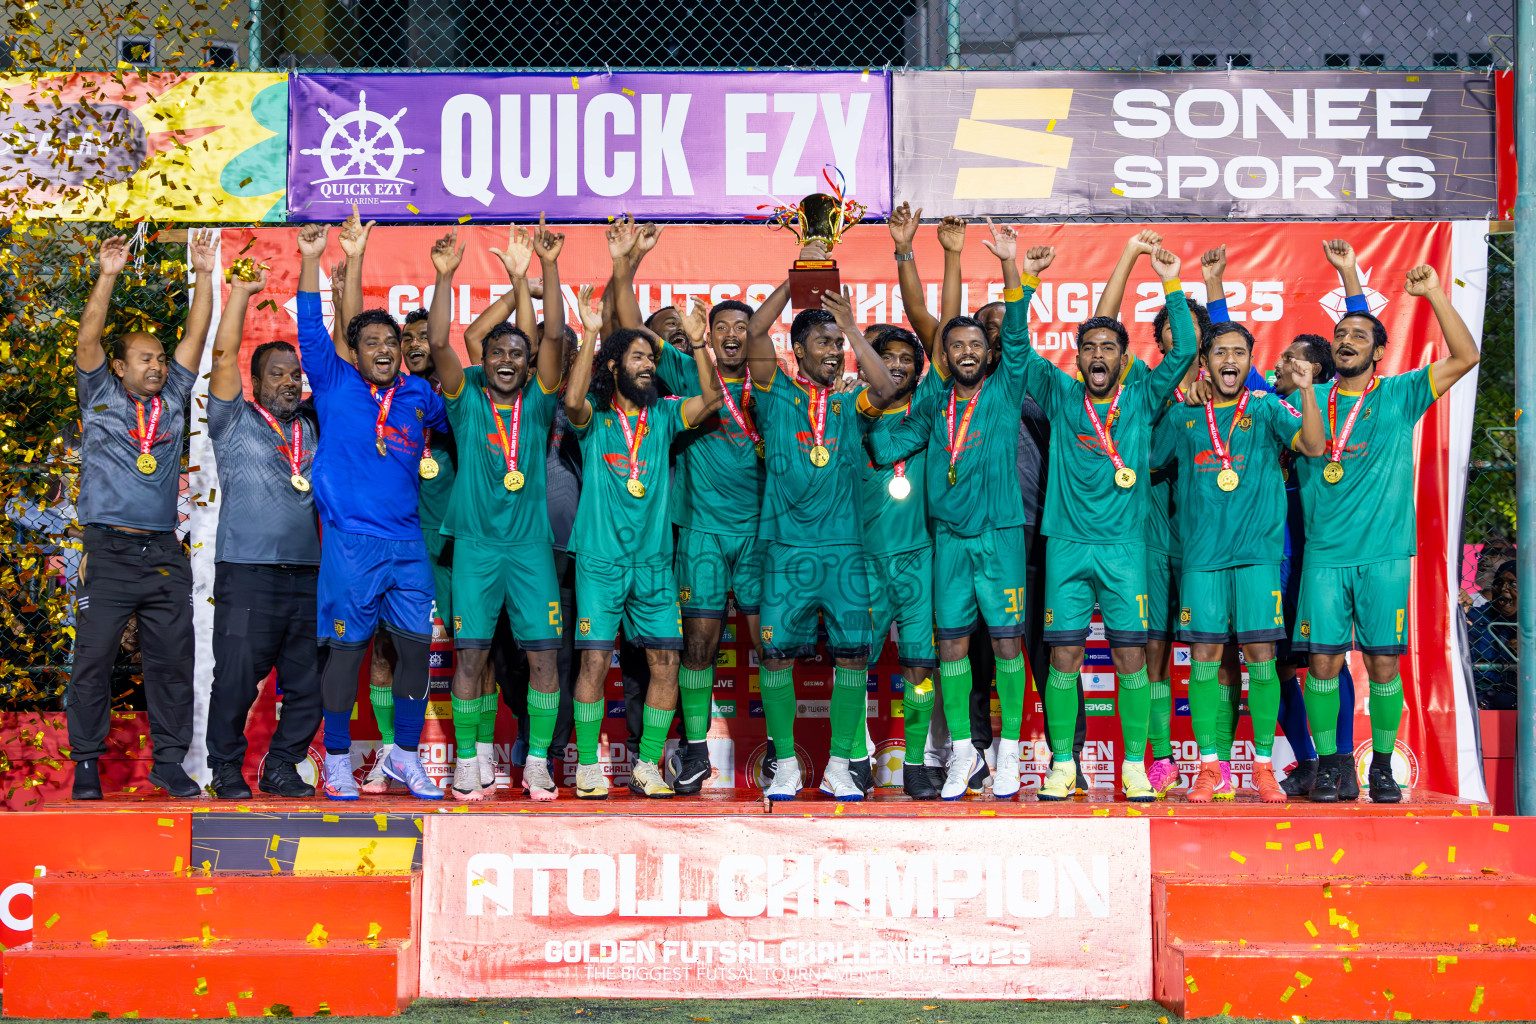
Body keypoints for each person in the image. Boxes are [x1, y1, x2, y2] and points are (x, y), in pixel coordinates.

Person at [1291, 239, 1481, 803]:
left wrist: (1432, 294)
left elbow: (1467, 356)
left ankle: (1378, 767)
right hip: (1325, 555)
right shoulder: (1308, 398)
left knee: (1381, 662)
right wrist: (1349, 275)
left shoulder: (1398, 394)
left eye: (1360, 336)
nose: (1346, 340)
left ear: (1379, 354)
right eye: (1340, 335)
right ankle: (1330, 767)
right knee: (1322, 662)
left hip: (1383, 554)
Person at [866, 222, 1041, 801]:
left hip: (999, 538)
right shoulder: (933, 401)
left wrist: (1012, 266)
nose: (967, 351)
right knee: (952, 649)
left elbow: (1016, 332)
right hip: (947, 543)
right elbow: (887, 444)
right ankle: (964, 755)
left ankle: (1010, 756)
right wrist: (857, 413)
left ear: (989, 354)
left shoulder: (1007, 386)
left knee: (1010, 647)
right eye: (956, 345)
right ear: (945, 355)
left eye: (976, 345)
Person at [1025, 243, 1196, 801]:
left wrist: (1170, 282)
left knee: (1131, 657)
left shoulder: (1143, 396)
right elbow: (1011, 346)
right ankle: (1063, 764)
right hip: (1068, 547)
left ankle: (1132, 766)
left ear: (1124, 359)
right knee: (1064, 657)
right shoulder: (1058, 391)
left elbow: (1187, 349)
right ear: (1077, 359)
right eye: (1089, 347)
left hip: (1126, 549)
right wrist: (1025, 280)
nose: (1098, 353)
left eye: (1109, 346)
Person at [607, 217, 765, 794]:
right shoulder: (679, 370)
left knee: (767, 644)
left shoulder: (769, 383)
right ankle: (695, 753)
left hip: (757, 535)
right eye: (720, 326)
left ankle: (777, 753)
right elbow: (628, 329)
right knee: (696, 646)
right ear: (708, 332)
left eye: (740, 328)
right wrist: (629, 263)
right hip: (698, 533)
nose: (730, 335)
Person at [296, 221, 449, 801]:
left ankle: (402, 758)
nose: (385, 350)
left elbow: (451, 392)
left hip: (407, 545)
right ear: (353, 353)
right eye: (372, 344)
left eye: (391, 343)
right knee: (347, 654)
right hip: (352, 542)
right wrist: (316, 258)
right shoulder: (334, 382)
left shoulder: (420, 397)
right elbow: (314, 327)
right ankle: (336, 760)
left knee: (414, 654)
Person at [744, 249, 903, 802]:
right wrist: (802, 281)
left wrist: (855, 330)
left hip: (845, 551)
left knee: (854, 656)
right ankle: (785, 763)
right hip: (787, 549)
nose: (834, 353)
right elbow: (756, 332)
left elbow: (886, 388)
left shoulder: (849, 401)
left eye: (838, 345)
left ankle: (840, 763)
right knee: (776, 656)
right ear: (798, 350)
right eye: (825, 343)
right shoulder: (775, 392)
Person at [563, 257, 724, 799]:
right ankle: (588, 766)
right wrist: (589, 335)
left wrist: (699, 345)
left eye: (652, 358)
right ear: (615, 367)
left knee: (666, 662)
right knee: (592, 659)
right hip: (601, 562)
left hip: (655, 566)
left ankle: (648, 765)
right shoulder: (596, 423)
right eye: (637, 357)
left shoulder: (665, 416)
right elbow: (571, 400)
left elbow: (713, 401)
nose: (649, 365)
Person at [1200, 252, 1358, 798]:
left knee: (1325, 658)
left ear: (1314, 370)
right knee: (1285, 661)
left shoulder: (1339, 402)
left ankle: (1342, 759)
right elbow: (1224, 345)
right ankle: (1310, 761)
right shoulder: (1261, 403)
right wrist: (1214, 284)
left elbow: (1358, 351)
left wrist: (1351, 279)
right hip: (1278, 549)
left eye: (1289, 359)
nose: (1276, 367)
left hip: (1323, 551)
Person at [424, 223, 570, 800]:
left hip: (532, 549)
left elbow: (554, 334)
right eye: (498, 352)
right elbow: (438, 345)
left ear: (529, 365)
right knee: (471, 657)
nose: (508, 360)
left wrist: (545, 270)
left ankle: (536, 761)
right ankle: (466, 760)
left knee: (542, 660)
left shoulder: (537, 404)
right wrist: (443, 275)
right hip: (476, 549)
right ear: (482, 358)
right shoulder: (464, 401)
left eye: (518, 353)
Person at [67, 230, 216, 800]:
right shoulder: (100, 394)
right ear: (122, 366)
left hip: (161, 552)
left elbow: (197, 337)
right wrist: (107, 273)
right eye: (146, 358)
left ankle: (170, 763)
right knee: (93, 660)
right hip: (107, 549)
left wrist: (204, 274)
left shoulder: (174, 397)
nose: (156, 366)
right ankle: (86, 766)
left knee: (172, 662)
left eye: (160, 358)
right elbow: (87, 338)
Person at [1166, 319, 1325, 803]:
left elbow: (1315, 447)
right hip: (1202, 560)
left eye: (1239, 352)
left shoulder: (1268, 409)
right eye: (1219, 353)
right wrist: (1178, 395)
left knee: (1261, 660)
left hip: (1257, 558)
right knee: (1206, 662)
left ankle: (1261, 768)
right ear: (1205, 363)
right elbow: (1147, 462)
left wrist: (1307, 392)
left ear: (1249, 361)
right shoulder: (1184, 415)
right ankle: (1211, 769)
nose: (1229, 361)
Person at [1095, 230, 1214, 798]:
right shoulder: (1139, 385)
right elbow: (1103, 324)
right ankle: (1158, 758)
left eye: (1182, 330)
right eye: (1165, 333)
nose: (1174, 340)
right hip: (1147, 531)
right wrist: (1133, 259)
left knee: (1221, 648)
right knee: (1152, 647)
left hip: (1211, 537)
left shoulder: (1233, 390)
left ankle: (1220, 760)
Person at [203, 263, 323, 799]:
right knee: (234, 683)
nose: (288, 381)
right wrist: (241, 293)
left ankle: (280, 766)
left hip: (307, 575)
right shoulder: (234, 420)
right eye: (277, 373)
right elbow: (223, 356)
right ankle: (224, 769)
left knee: (310, 689)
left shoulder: (314, 425)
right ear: (255, 381)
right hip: (248, 572)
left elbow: (338, 364)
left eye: (293, 374)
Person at [859, 325, 942, 799]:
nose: (895, 365)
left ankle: (914, 764)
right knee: (854, 665)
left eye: (904, 358)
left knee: (919, 667)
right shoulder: (851, 413)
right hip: (864, 561)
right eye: (882, 356)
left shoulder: (929, 407)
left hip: (918, 558)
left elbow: (936, 329)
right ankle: (853, 755)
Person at [1467, 561, 1517, 709]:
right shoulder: (1479, 617)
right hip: (1482, 696)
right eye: (1499, 583)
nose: (1503, 589)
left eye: (1512, 584)